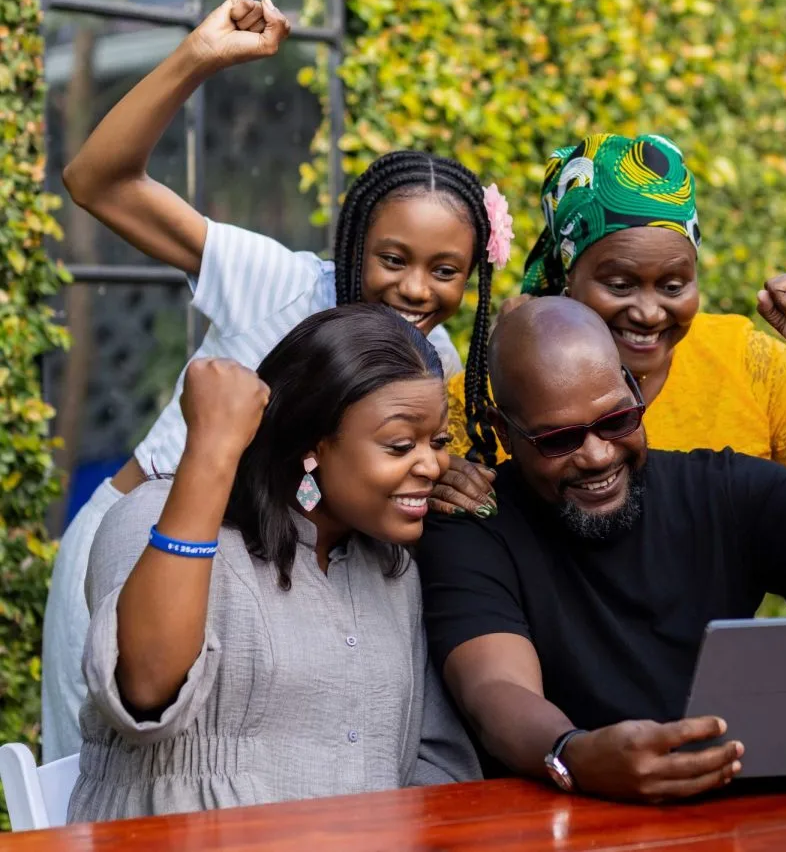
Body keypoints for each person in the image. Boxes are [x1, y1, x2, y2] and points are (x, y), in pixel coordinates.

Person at [43, 0, 513, 761]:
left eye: (446, 271)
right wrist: (199, 56)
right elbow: (97, 181)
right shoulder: (277, 281)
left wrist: (445, 479)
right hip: (143, 542)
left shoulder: (439, 365)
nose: (416, 291)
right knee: (112, 778)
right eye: (392, 258)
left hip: (270, 584)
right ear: (355, 239)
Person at [416, 294, 786, 803]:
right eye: (558, 439)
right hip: (573, 821)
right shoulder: (474, 523)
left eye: (617, 420)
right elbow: (495, 688)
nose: (597, 455)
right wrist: (572, 753)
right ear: (503, 434)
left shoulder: (721, 490)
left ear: (635, 389)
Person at [67, 304, 480, 822]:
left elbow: (435, 764)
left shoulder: (394, 570)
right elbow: (146, 686)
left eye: (438, 442)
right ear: (313, 445)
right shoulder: (152, 518)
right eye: (400, 445)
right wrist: (213, 447)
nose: (433, 464)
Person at [434, 133, 786, 517]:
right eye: (618, 285)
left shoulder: (742, 364)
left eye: (673, 285)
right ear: (568, 276)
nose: (648, 311)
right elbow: (408, 477)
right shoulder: (498, 388)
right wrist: (440, 482)